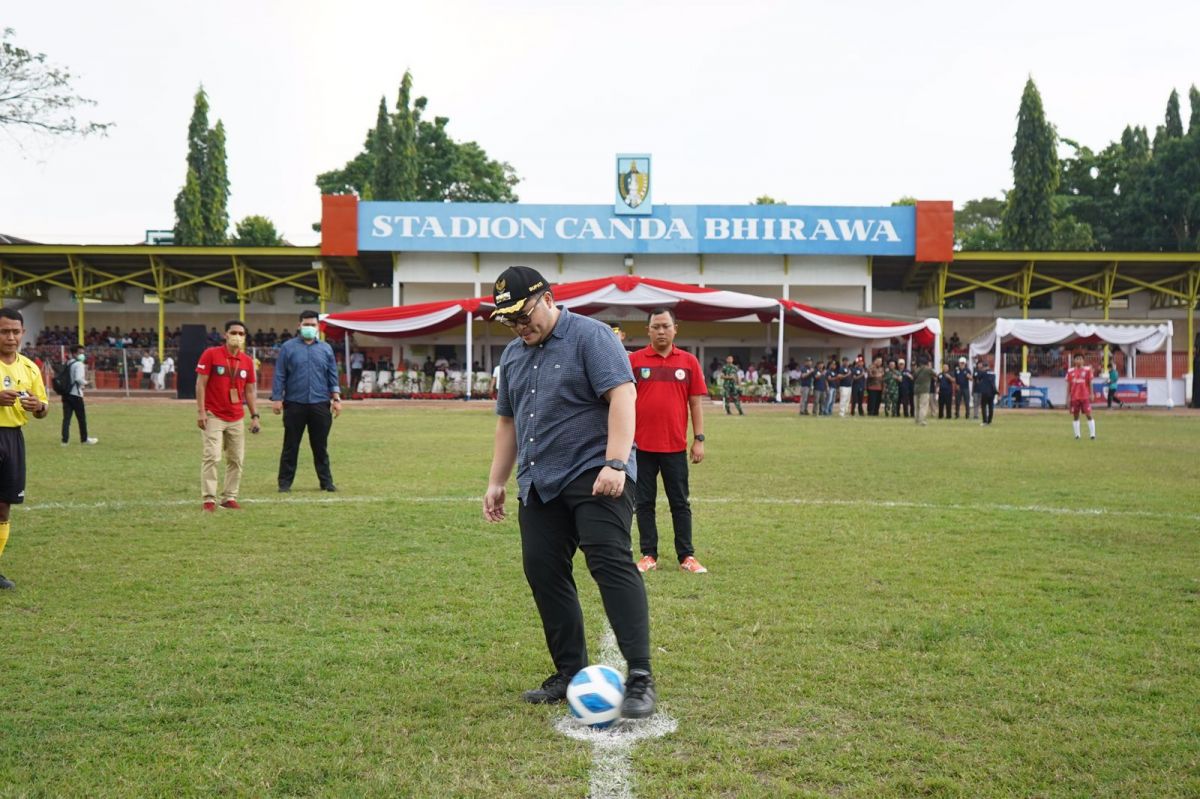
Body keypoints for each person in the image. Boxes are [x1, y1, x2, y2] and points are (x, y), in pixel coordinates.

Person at [481, 266, 656, 719]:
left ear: (547, 298)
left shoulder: (592, 336)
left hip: (595, 471)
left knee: (608, 560)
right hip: (540, 480)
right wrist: (497, 481)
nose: (521, 326)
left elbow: (622, 395)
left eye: (525, 315)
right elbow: (508, 421)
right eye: (511, 320)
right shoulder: (512, 357)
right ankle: (570, 672)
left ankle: (640, 676)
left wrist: (616, 461)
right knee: (542, 569)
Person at [628, 308, 708, 575]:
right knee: (644, 503)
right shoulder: (635, 361)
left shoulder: (688, 362)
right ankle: (648, 554)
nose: (661, 331)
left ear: (676, 328)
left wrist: (699, 439)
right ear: (648, 330)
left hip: (675, 447)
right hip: (641, 448)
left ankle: (686, 556)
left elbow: (695, 403)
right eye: (656, 327)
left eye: (665, 326)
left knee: (680, 503)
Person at [0, 308, 50, 590]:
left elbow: (42, 410)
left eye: (15, 332)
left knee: (4, 506)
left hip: (13, 439)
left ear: (23, 333)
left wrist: (38, 407)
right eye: (4, 331)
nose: (10, 337)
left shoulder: (30, 367)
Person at [272, 310, 342, 492]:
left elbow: (332, 376)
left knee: (320, 446)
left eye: (312, 325)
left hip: (320, 403)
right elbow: (280, 374)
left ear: (318, 327)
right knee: (290, 445)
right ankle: (284, 483)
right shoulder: (288, 347)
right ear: (299, 325)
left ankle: (326, 482)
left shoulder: (326, 349)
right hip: (295, 403)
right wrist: (277, 398)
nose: (309, 328)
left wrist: (336, 398)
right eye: (306, 324)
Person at [196, 320, 261, 512]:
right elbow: (201, 384)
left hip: (236, 417)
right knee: (212, 457)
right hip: (213, 414)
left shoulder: (247, 361)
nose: (237, 337)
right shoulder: (211, 354)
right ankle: (209, 498)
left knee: (236, 459)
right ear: (225, 335)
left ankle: (229, 497)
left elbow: (249, 392)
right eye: (234, 332)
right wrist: (201, 411)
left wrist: (255, 416)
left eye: (241, 334)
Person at [62, 345, 98, 446]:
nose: (82, 355)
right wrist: (87, 382)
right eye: (80, 353)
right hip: (76, 394)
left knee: (66, 418)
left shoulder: (68, 363)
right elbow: (78, 379)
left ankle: (64, 440)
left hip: (66, 393)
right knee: (81, 418)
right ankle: (84, 438)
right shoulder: (79, 364)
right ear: (74, 353)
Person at [1066, 353, 1097, 440]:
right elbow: (1069, 385)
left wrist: (1091, 394)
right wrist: (1067, 398)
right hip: (1074, 397)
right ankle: (1077, 435)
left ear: (1083, 360)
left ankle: (1092, 435)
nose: (1078, 360)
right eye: (1077, 359)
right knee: (1075, 416)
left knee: (1088, 414)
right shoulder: (1070, 371)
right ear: (1074, 360)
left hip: (1085, 397)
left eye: (1080, 359)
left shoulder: (1087, 370)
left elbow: (1090, 383)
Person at [912, 356, 935, 426]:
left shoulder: (917, 369)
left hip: (916, 390)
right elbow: (935, 375)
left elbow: (914, 377)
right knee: (923, 406)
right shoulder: (928, 369)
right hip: (924, 390)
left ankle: (916, 420)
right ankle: (922, 421)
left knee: (916, 406)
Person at [975, 357, 998, 426]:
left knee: (984, 406)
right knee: (991, 407)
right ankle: (989, 421)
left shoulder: (983, 372)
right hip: (992, 392)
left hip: (985, 392)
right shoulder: (993, 372)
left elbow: (978, 378)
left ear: (984, 367)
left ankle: (985, 421)